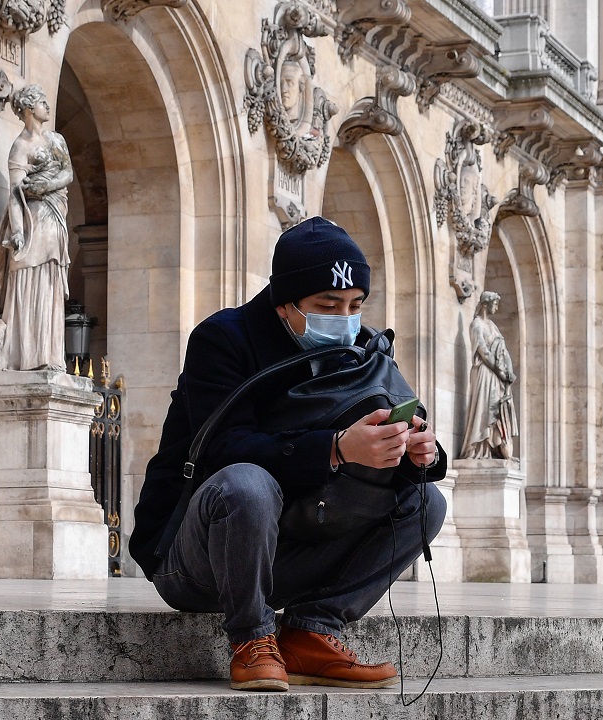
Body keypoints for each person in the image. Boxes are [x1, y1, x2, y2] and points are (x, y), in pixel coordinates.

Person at [129, 217, 448, 692]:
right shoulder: (223, 338)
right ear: (285, 304)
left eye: (355, 305)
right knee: (246, 483)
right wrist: (337, 449)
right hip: (197, 558)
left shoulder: (364, 349)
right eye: (327, 305)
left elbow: (409, 434)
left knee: (427, 502)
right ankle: (252, 640)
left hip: (294, 543)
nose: (344, 319)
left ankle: (312, 631)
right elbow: (221, 449)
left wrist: (418, 452)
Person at [0, 84, 73, 372]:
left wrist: (48, 185)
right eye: (42, 102)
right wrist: (19, 232)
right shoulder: (20, 146)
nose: (47, 106)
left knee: (50, 278)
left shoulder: (56, 139)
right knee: (27, 275)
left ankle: (49, 352)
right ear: (28, 108)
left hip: (54, 216)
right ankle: (24, 354)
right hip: (33, 219)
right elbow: (14, 194)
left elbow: (68, 173)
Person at [461, 290, 518, 460]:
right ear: (486, 304)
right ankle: (479, 449)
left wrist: (505, 372)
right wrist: (498, 369)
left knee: (496, 411)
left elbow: (501, 350)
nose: (497, 308)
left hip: (496, 378)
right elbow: (483, 351)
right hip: (484, 374)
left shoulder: (492, 326)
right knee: (484, 410)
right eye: (495, 304)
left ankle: (494, 450)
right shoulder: (476, 324)